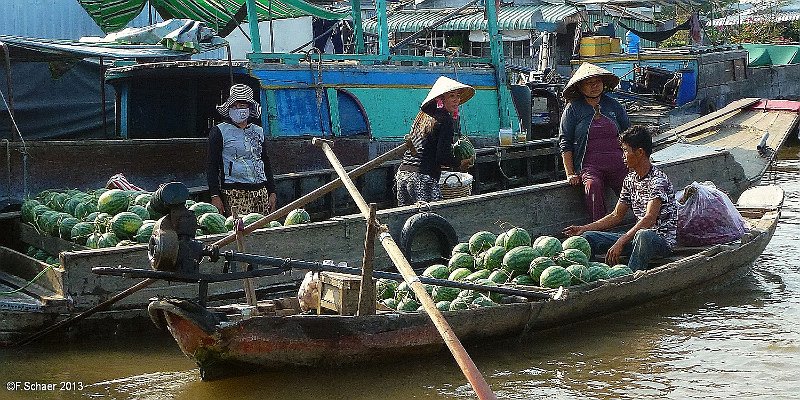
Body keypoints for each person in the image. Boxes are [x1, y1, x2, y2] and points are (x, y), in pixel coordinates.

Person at [562, 125, 677, 271]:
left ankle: (629, 277)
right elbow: (616, 215)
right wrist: (583, 228)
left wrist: (622, 240)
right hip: (636, 239)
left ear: (640, 152)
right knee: (588, 238)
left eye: (625, 151)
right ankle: (591, 275)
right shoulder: (630, 179)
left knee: (643, 235)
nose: (622, 156)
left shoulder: (658, 180)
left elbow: (649, 219)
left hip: (659, 242)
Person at [559, 62, 631, 222]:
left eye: (597, 82)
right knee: (593, 186)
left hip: (619, 163)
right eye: (589, 83)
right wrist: (570, 173)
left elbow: (630, 135)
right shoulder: (573, 109)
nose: (594, 86)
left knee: (633, 186)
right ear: (579, 87)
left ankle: (646, 224)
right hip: (590, 167)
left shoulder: (614, 106)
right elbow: (565, 142)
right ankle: (598, 229)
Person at [395, 76, 475, 206]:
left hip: (403, 175)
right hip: (422, 178)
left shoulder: (422, 117)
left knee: (407, 221)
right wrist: (460, 163)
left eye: (458, 96)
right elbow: (442, 157)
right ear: (441, 100)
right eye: (452, 96)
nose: (457, 100)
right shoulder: (445, 120)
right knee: (432, 221)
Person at [207, 84, 276, 216]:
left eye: (243, 105)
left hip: (261, 191)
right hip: (234, 193)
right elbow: (212, 166)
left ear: (250, 108)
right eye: (235, 105)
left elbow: (265, 161)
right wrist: (214, 195)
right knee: (240, 233)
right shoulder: (219, 131)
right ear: (229, 108)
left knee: (263, 232)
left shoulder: (258, 131)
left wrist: (272, 191)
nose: (239, 109)